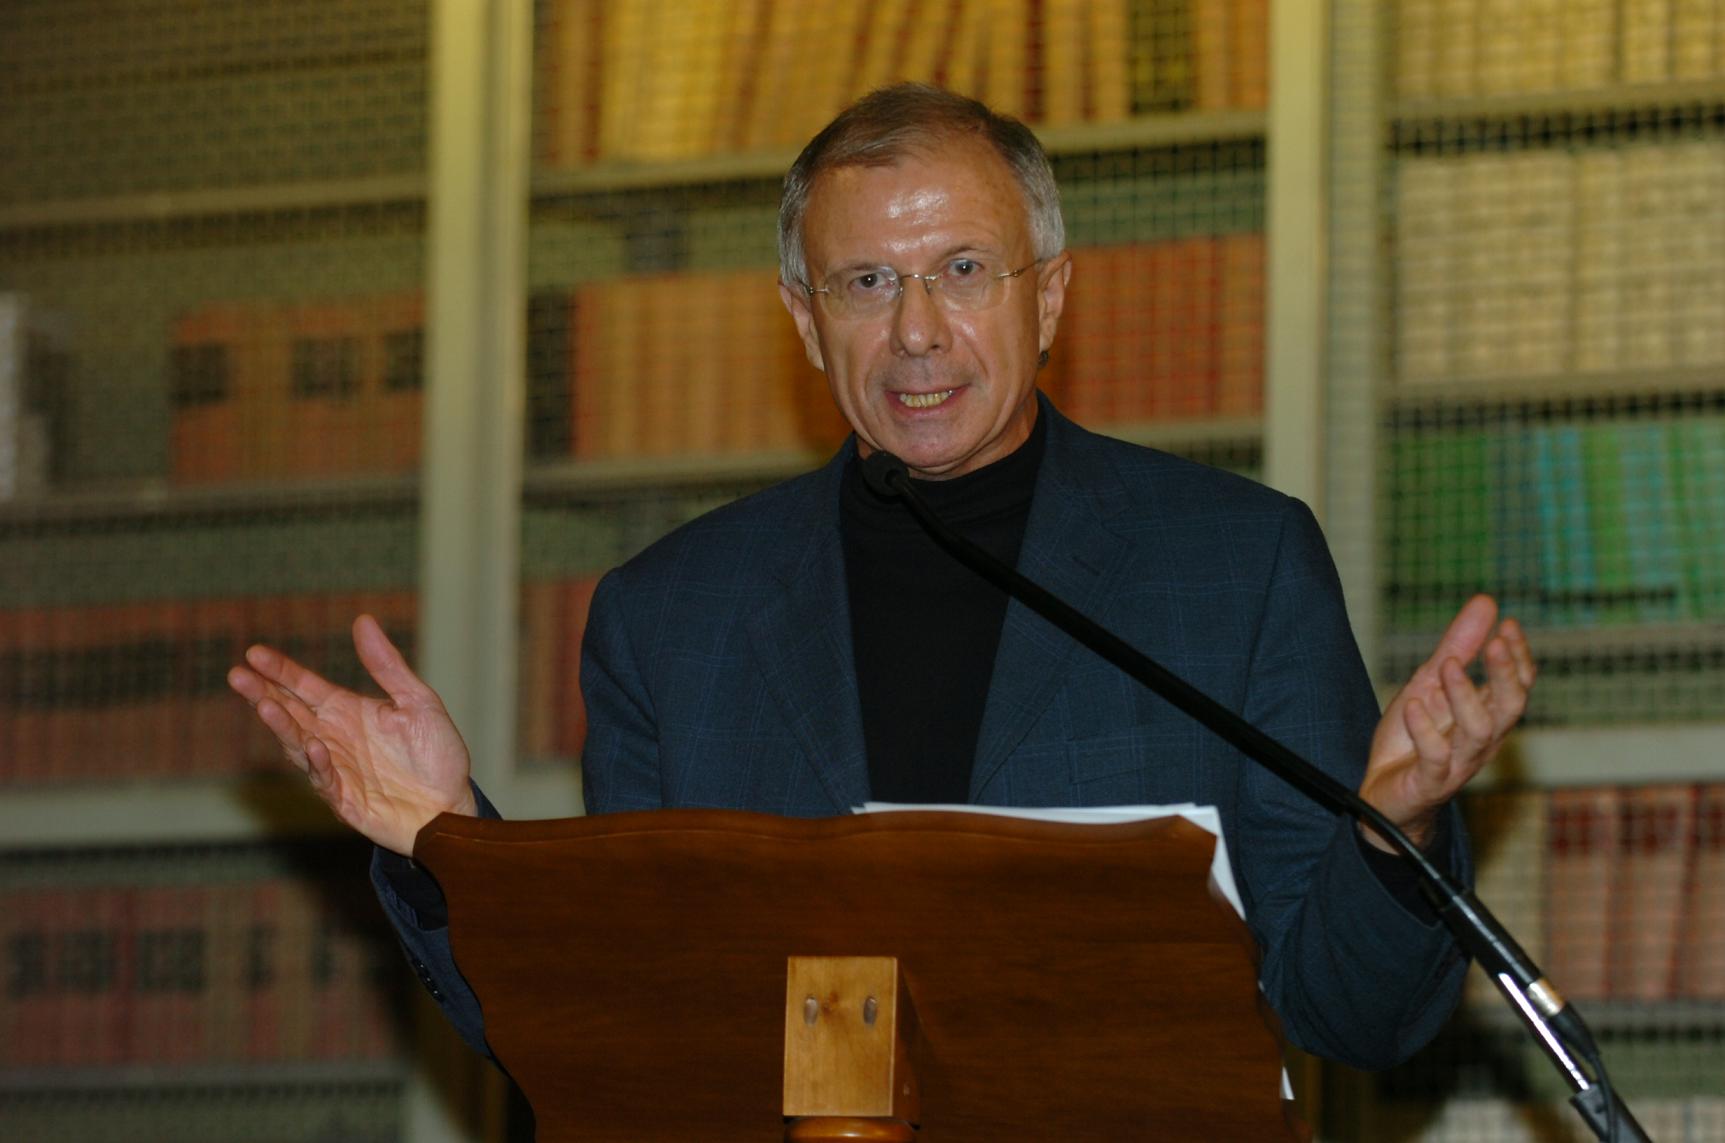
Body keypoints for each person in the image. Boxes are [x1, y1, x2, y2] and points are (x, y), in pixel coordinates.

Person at [228, 84, 1535, 1073]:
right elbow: (613, 1032)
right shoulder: (669, 618)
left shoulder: (1233, 564)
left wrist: (1395, 826)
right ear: (806, 320)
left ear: (1049, 296)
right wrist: (444, 839)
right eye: (865, 283)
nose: (916, 331)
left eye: (963, 271)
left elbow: (1353, 1016)